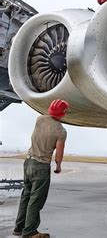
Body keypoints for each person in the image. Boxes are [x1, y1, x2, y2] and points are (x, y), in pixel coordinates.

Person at [13, 99, 69, 237]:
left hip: (28, 163)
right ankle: (30, 231)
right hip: (41, 166)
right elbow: (59, 154)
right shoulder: (61, 131)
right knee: (36, 200)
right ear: (64, 113)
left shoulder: (40, 119)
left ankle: (19, 228)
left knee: (26, 195)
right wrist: (58, 166)